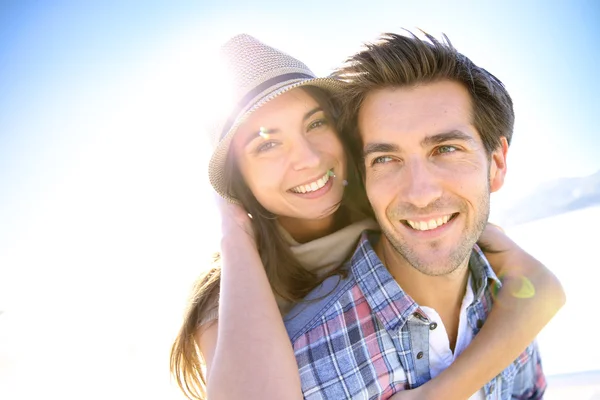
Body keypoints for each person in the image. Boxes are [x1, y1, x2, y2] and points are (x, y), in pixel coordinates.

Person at [170, 34, 565, 400]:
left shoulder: (399, 212)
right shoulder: (235, 292)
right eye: (268, 144)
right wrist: (233, 232)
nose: (308, 159)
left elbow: (541, 290)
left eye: (316, 123)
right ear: (239, 181)